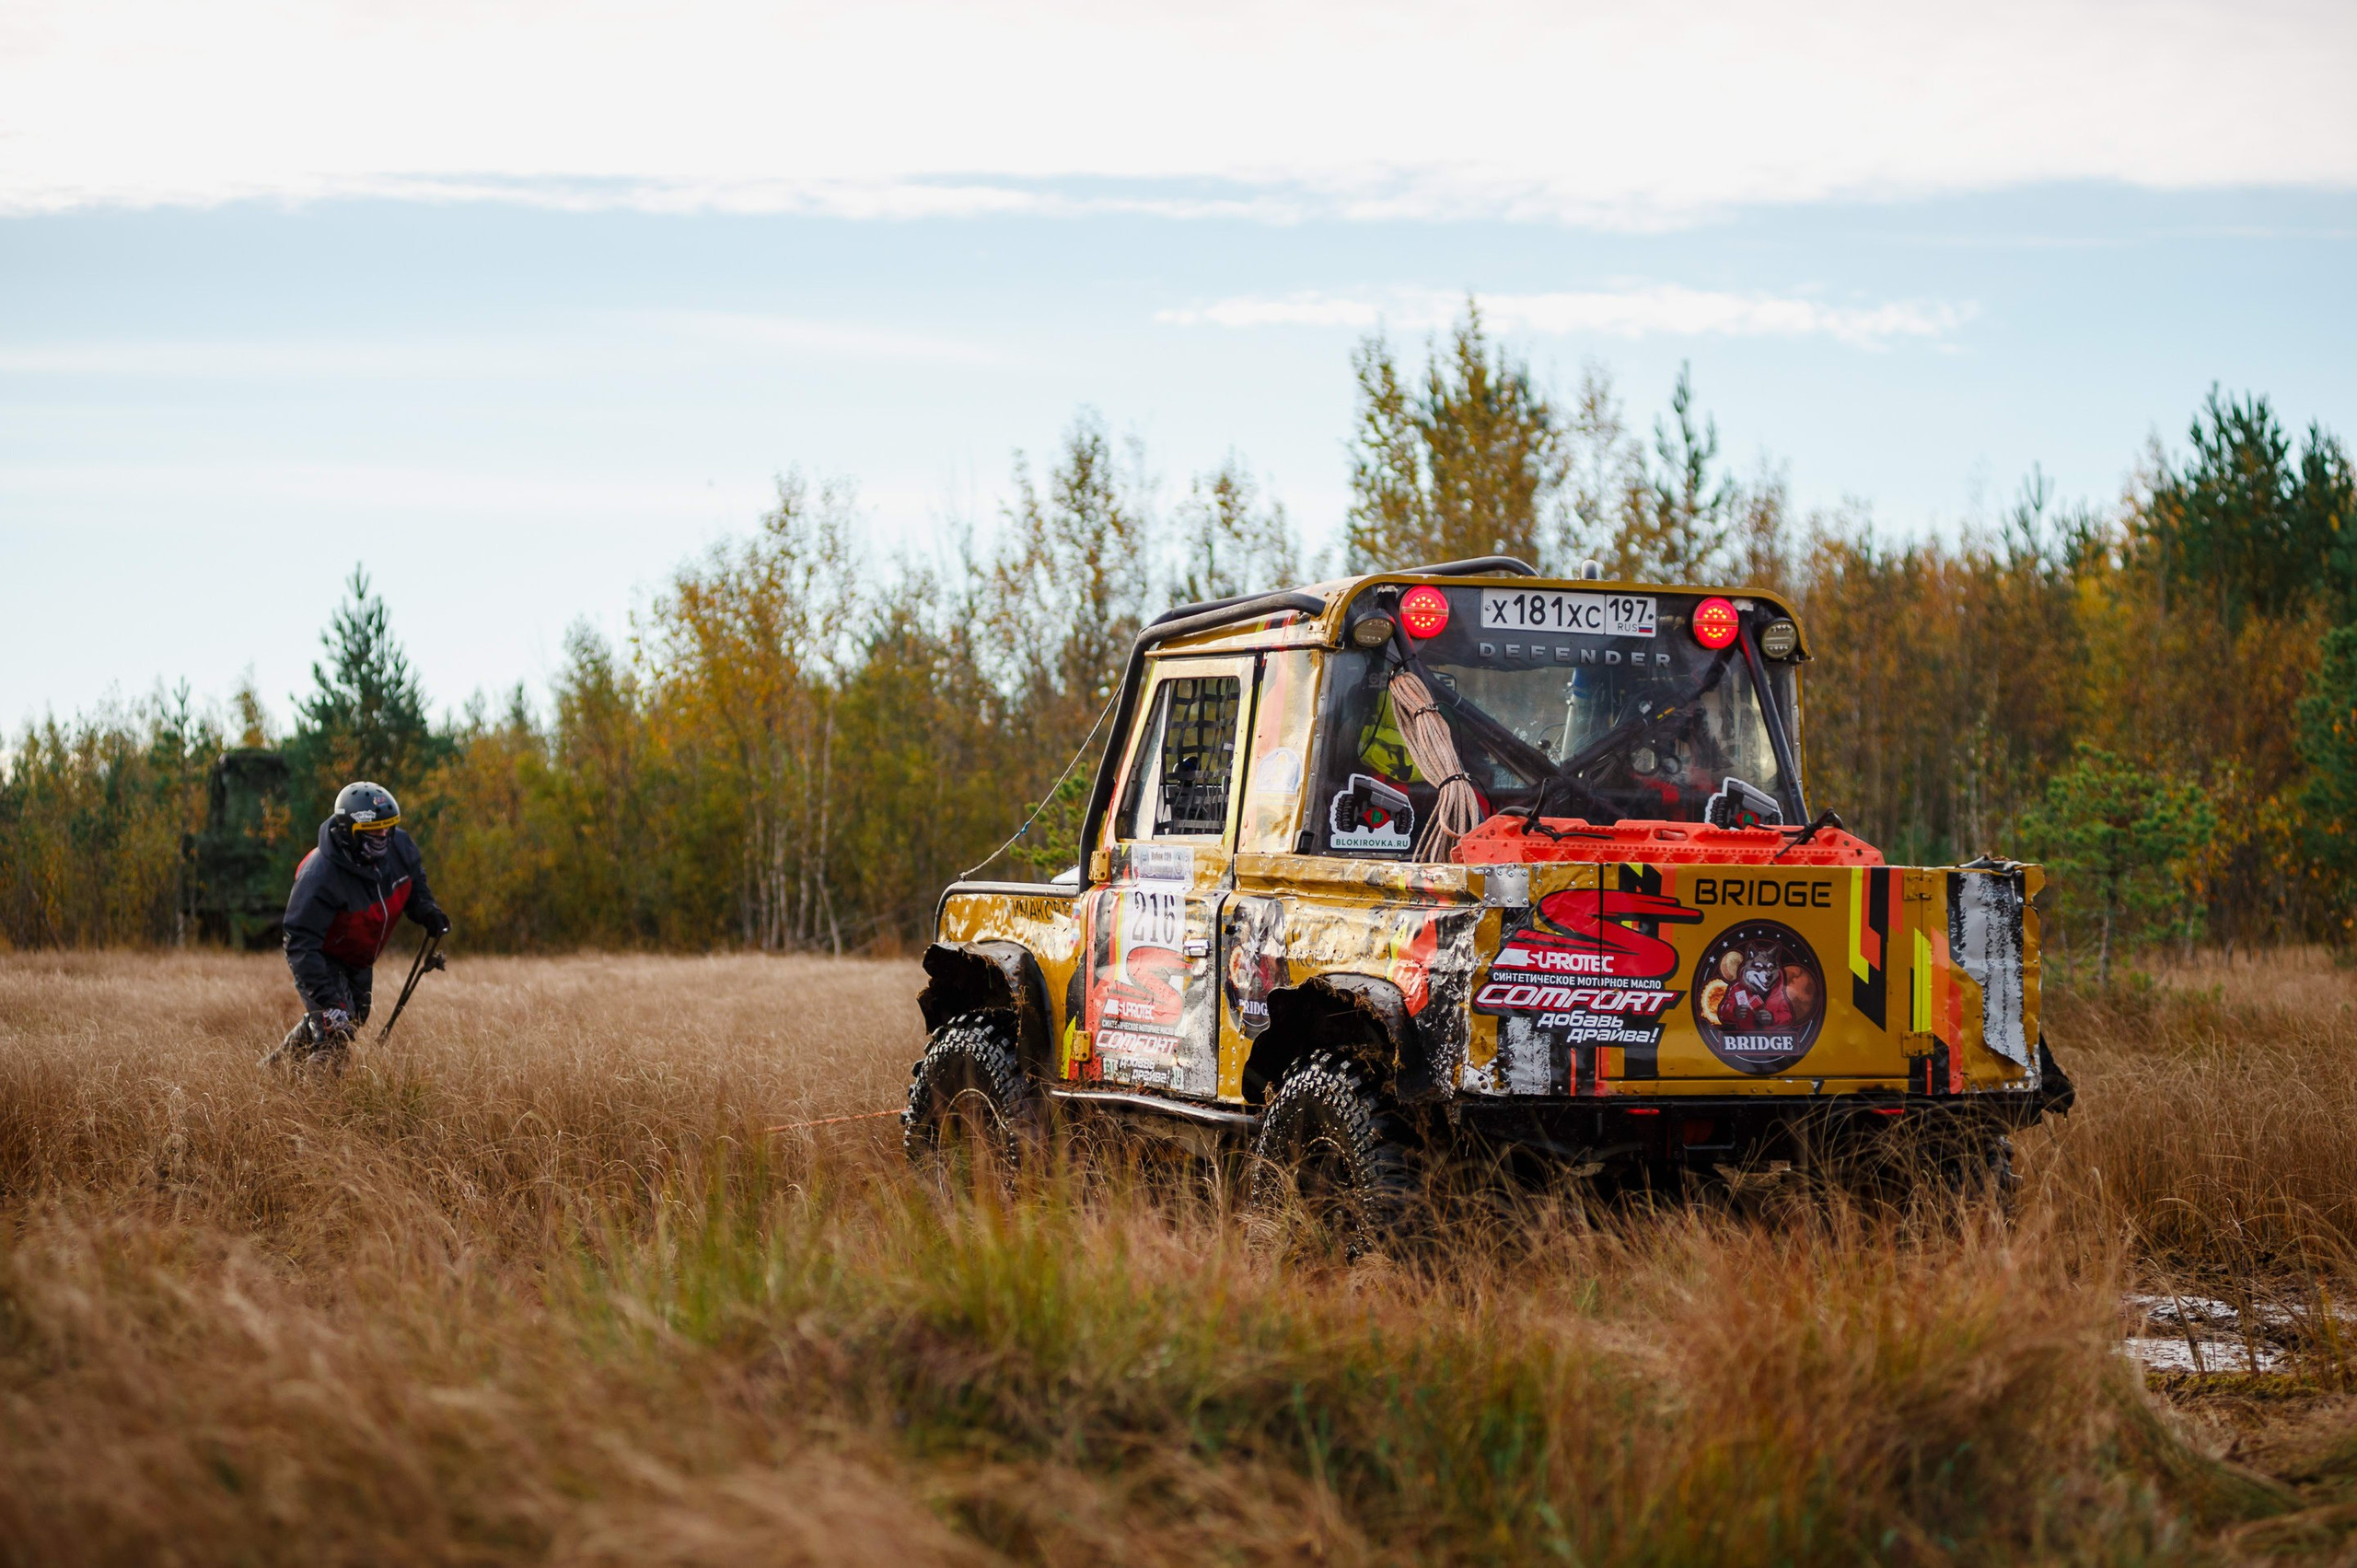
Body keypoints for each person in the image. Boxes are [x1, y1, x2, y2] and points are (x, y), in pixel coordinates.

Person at [263, 781, 450, 1069]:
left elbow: (414, 885)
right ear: (349, 831)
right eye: (374, 831)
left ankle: (276, 1069)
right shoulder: (320, 876)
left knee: (354, 1017)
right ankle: (319, 1110)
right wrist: (326, 1000)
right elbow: (299, 941)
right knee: (336, 1036)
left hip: (359, 956)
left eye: (387, 828)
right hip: (322, 958)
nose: (383, 836)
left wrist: (428, 911)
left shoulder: (399, 847)